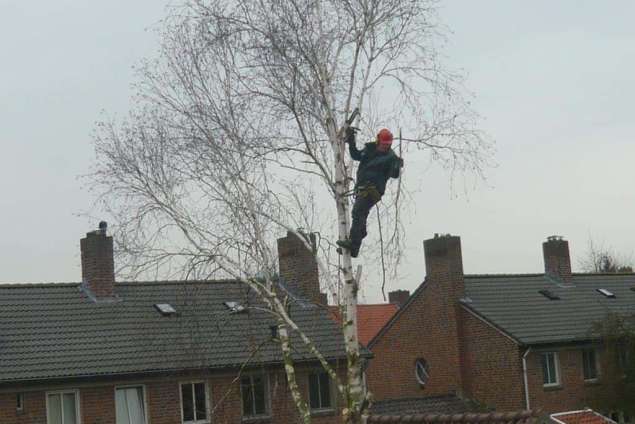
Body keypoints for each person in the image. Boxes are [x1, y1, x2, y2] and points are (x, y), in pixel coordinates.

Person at [337, 127, 403, 258]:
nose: (385, 147)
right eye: (383, 145)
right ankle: (358, 237)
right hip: (361, 187)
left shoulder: (391, 158)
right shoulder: (369, 150)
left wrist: (397, 165)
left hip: (373, 190)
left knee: (358, 212)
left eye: (387, 145)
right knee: (361, 214)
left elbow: (394, 174)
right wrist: (351, 140)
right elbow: (356, 155)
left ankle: (354, 243)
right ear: (378, 141)